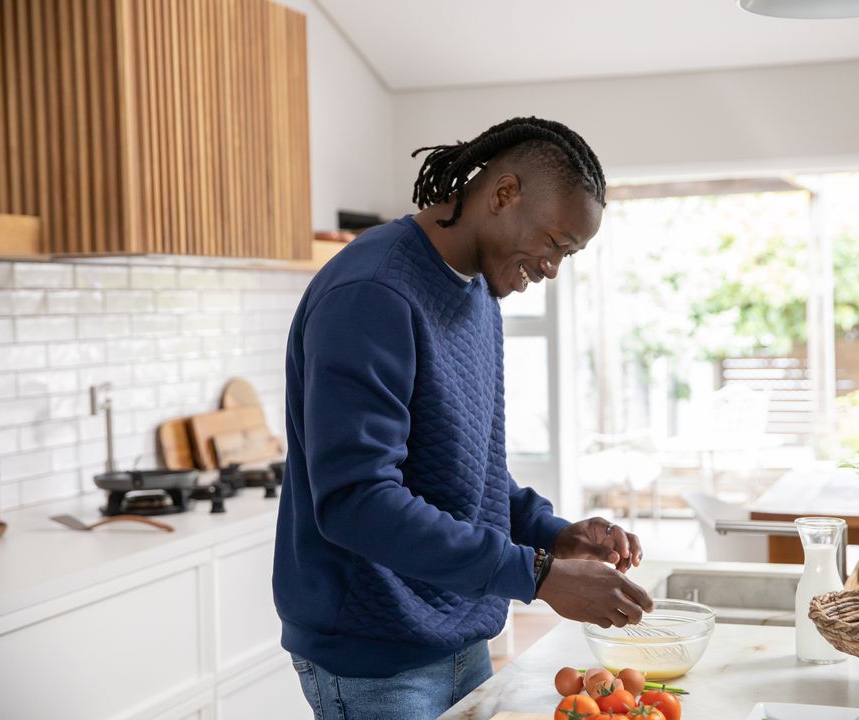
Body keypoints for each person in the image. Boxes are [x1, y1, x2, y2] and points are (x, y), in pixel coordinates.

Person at [273, 116, 653, 720]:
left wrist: (551, 535)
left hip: (458, 636)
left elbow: (462, 468)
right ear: (503, 194)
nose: (554, 268)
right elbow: (357, 502)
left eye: (568, 254)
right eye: (555, 243)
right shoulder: (373, 293)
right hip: (374, 656)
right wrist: (538, 574)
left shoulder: (478, 293)